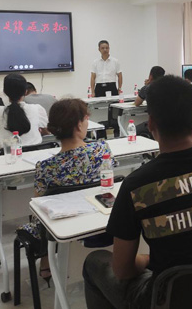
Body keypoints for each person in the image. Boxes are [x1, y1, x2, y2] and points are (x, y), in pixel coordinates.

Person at [83, 75, 192, 309]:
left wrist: (147, 260)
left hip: (168, 300)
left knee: (95, 261)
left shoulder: (137, 185)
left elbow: (122, 270)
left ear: (151, 124)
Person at [18, 98, 112, 284]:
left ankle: (46, 259)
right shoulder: (102, 150)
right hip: (100, 222)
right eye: (85, 119)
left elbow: (39, 206)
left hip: (64, 229)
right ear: (78, 125)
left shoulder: (45, 167)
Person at [0, 74, 49, 149]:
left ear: (4, 92)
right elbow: (46, 133)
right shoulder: (37, 109)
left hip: (7, 155)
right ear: (26, 91)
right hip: (35, 153)